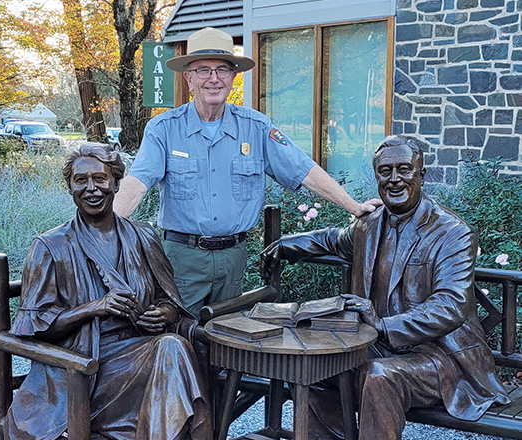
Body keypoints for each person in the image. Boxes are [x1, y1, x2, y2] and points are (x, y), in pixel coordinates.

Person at [261, 135, 509, 440]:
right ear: (376, 176)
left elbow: (449, 307)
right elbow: (331, 239)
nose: (394, 179)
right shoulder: (369, 223)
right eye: (385, 171)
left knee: (379, 378)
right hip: (388, 348)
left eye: (404, 170)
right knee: (320, 366)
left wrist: (383, 325)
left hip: (442, 357)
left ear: (422, 174)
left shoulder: (452, 233)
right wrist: (286, 245)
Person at [2, 143, 246, 440]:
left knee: (172, 351)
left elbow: (172, 304)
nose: (92, 188)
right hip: (84, 376)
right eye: (81, 180)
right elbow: (30, 328)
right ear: (70, 187)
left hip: (144, 361)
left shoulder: (142, 238)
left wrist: (161, 314)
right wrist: (91, 308)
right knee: (177, 370)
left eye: (101, 179)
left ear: (117, 183)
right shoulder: (51, 245)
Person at [114, 26, 381, 318]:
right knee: (178, 335)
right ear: (188, 78)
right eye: (203, 70)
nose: (213, 79)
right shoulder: (164, 130)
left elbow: (304, 170)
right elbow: (137, 182)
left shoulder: (256, 128)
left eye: (222, 70)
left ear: (233, 77)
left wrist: (354, 206)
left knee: (229, 338)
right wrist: (100, 226)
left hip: (234, 258)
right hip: (182, 258)